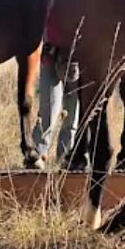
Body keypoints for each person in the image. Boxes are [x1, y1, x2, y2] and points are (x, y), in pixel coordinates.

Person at [31, 39, 80, 167]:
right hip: (50, 56)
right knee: (48, 109)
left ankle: (65, 158)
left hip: (76, 59)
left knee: (72, 113)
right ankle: (38, 155)